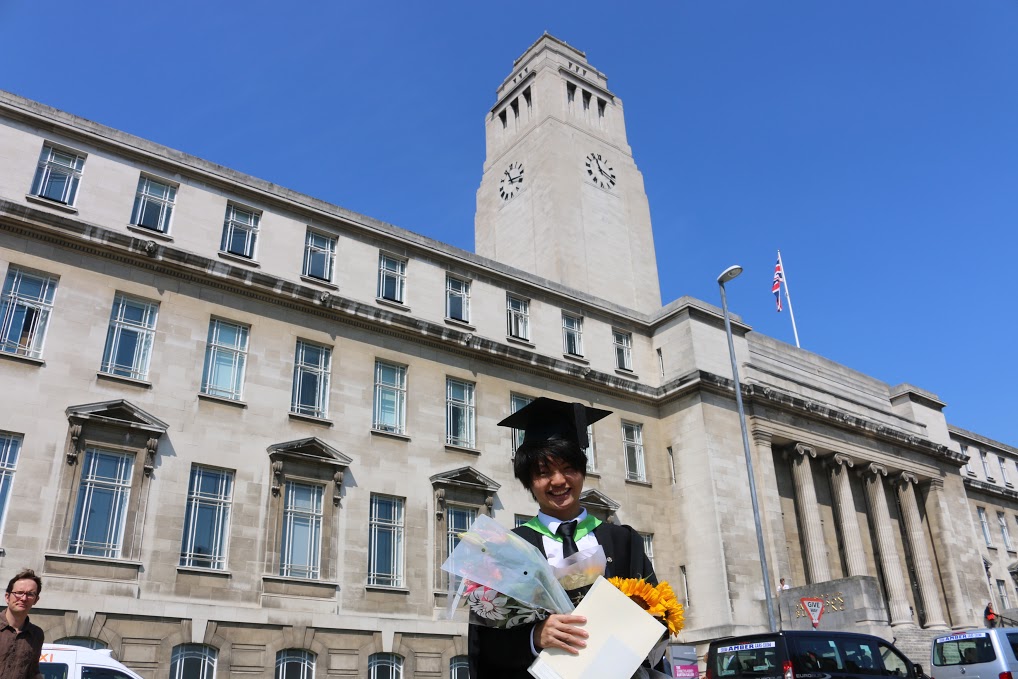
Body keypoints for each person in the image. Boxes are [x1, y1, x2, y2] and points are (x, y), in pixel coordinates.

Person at [468, 398, 658, 679]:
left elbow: (657, 614)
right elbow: (483, 645)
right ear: (528, 481)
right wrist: (534, 637)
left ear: (582, 472)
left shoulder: (622, 540)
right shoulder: (507, 550)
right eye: (543, 472)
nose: (558, 481)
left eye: (568, 468)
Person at [1, 568, 45, 679]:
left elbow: (33, 672)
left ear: (36, 600)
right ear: (7, 597)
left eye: (30, 594)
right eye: (19, 593)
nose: (24, 598)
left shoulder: (37, 635)